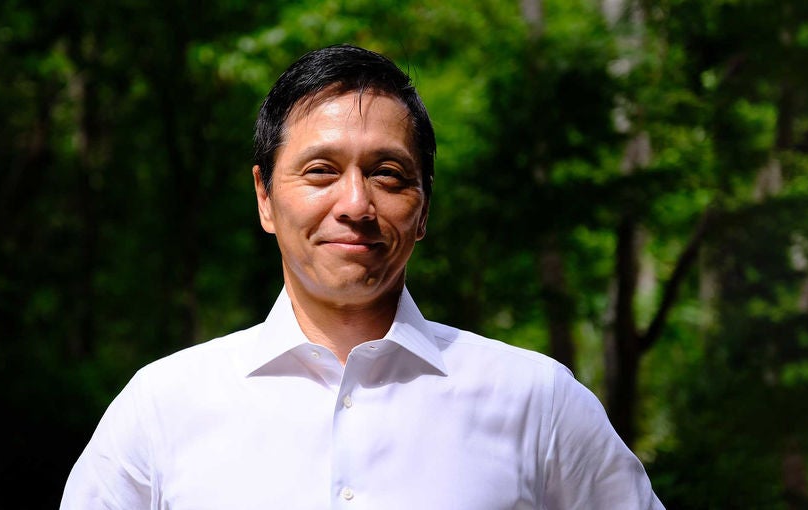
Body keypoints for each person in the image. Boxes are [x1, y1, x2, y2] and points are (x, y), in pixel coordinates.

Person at [60, 43, 664, 509]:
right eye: (321, 171)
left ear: (424, 208)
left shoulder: (538, 402)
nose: (355, 203)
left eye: (389, 174)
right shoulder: (162, 407)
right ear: (265, 198)